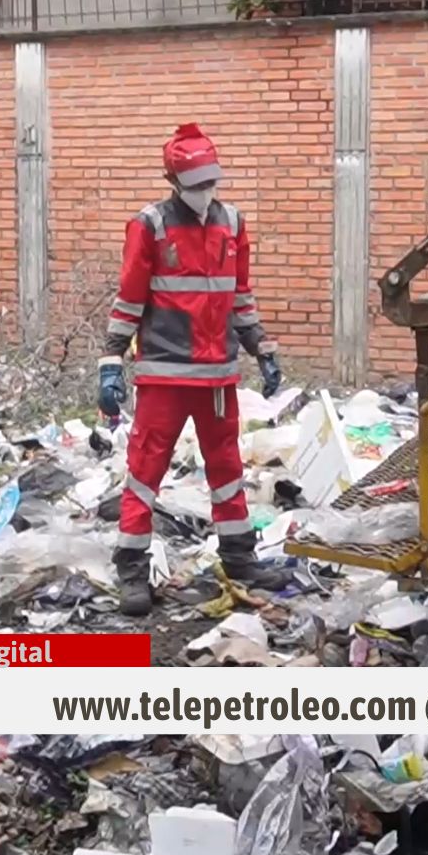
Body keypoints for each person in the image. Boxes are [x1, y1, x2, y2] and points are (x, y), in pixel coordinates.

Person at [98, 123, 293, 616]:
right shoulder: (151, 225)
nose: (207, 190)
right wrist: (111, 362)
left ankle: (240, 558)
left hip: (218, 377)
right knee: (145, 473)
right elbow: (130, 298)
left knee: (227, 472)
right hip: (165, 373)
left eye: (212, 179)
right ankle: (132, 569)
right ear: (174, 179)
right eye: (198, 181)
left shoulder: (232, 222)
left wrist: (261, 347)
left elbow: (239, 296)